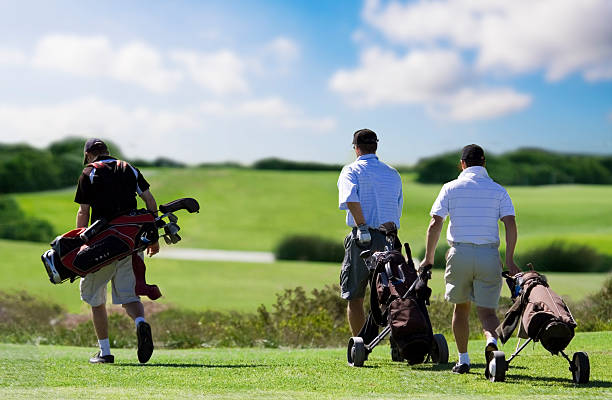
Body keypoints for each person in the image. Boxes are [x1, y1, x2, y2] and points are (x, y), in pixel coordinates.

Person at [420, 144, 520, 375]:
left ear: (462, 164)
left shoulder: (450, 188)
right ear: (484, 163)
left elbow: (435, 223)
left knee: (461, 309)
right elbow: (510, 224)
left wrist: (428, 258)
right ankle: (491, 345)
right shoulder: (498, 190)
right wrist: (511, 260)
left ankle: (463, 361)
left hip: (460, 254)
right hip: (489, 255)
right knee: (487, 312)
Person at [75, 138, 159, 364]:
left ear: (88, 154)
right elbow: (150, 201)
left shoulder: (89, 172)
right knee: (129, 296)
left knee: (95, 298)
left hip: (101, 246)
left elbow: (84, 212)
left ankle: (105, 352)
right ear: (108, 152)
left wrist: (79, 244)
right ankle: (141, 322)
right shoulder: (128, 168)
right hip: (132, 244)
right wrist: (154, 237)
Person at [337, 129, 403, 336]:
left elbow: (350, 198)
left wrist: (362, 226)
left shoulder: (351, 170)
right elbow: (397, 206)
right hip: (389, 239)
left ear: (356, 148)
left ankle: (361, 344)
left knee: (355, 296)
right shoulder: (392, 173)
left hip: (362, 239)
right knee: (392, 295)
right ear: (376, 146)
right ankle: (397, 343)